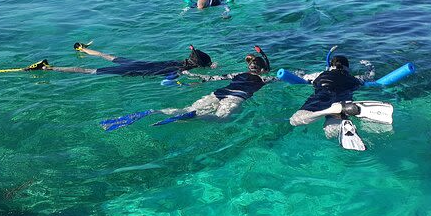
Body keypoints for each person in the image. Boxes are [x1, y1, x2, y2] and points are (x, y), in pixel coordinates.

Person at [100, 47, 275, 129]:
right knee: (222, 118)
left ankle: (153, 112)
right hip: (235, 97)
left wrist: (190, 75)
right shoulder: (266, 79)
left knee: (186, 108)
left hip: (217, 93)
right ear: (263, 70)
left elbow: (209, 78)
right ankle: (195, 117)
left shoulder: (235, 74)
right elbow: (297, 77)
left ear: (249, 67)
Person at [289, 55, 377, 149]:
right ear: (347, 67)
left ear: (331, 66)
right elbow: (370, 76)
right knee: (329, 132)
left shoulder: (319, 74)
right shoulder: (356, 78)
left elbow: (300, 77)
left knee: (294, 121)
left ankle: (329, 111)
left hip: (322, 96)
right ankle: (342, 124)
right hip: (343, 99)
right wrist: (369, 65)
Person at [21, 43, 214, 77]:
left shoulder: (177, 62)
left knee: (108, 56)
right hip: (135, 71)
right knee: (90, 72)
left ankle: (83, 49)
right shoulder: (183, 71)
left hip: (136, 63)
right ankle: (48, 69)